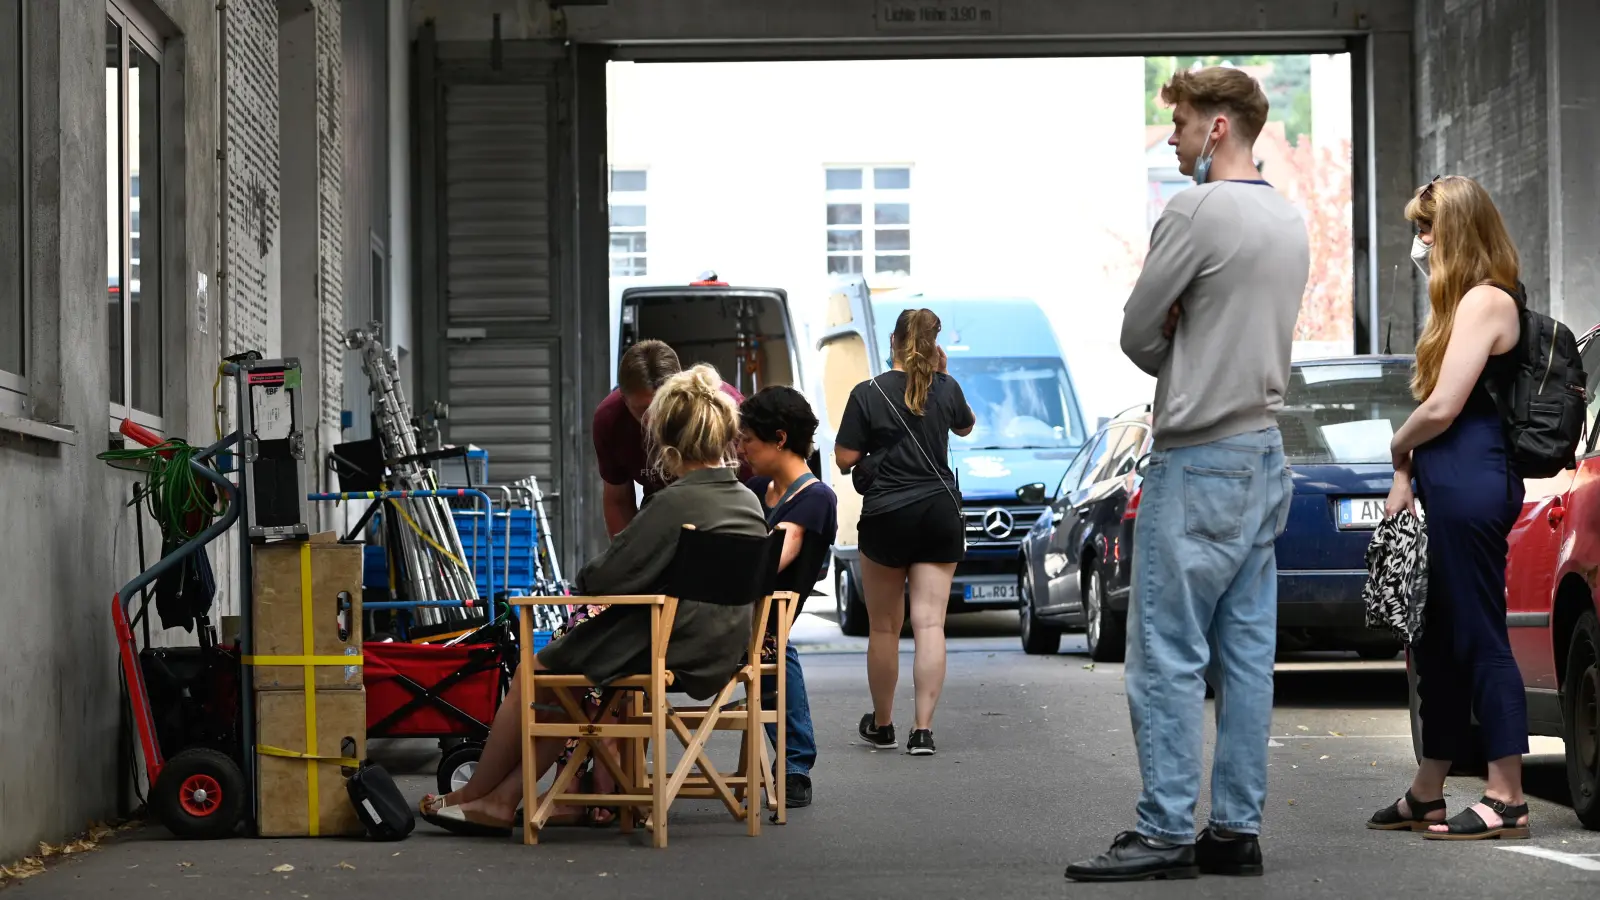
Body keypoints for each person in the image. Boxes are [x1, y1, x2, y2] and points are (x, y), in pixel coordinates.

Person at [1066, 66, 1308, 882]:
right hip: (1264, 452)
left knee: (1166, 650)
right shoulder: (1289, 218)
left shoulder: (1195, 210)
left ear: (1217, 129)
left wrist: (1180, 337)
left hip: (1196, 453)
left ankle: (1165, 829)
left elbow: (1137, 334)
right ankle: (1234, 830)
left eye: (1178, 125)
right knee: (1245, 652)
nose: (1168, 138)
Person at [419, 364, 767, 836]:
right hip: (723, 647)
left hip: (669, 642)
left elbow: (599, 578)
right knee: (570, 685)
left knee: (535, 673)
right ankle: (500, 800)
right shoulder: (747, 502)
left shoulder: (674, 503)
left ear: (665, 446)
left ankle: (473, 792)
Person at [1366, 175, 1531, 841]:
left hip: (1471, 485)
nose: (1421, 242)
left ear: (1458, 231)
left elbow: (1443, 407)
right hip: (1447, 483)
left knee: (1480, 635)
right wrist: (1410, 471)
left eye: (1429, 228)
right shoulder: (1460, 304)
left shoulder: (1489, 301)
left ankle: (1507, 794)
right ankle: (1427, 791)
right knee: (1433, 640)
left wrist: (1396, 447)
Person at [834, 308, 974, 758]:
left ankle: (883, 724)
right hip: (938, 511)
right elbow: (965, 426)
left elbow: (843, 458)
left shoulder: (868, 393)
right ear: (935, 347)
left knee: (884, 628)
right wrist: (943, 375)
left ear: (892, 340)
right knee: (930, 623)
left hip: (887, 515)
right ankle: (923, 731)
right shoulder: (947, 388)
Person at [739, 385, 838, 809]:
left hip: (762, 621)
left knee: (776, 643)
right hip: (747, 614)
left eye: (749, 440)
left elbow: (771, 559)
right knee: (777, 646)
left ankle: (796, 764)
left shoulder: (816, 498)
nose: (741, 449)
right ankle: (795, 762)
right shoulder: (756, 486)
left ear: (780, 439)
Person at [594, 339, 749, 538]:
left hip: (727, 511)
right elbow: (618, 500)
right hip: (662, 510)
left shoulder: (723, 409)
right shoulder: (610, 419)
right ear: (623, 398)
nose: (653, 419)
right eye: (643, 411)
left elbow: (758, 486)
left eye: (662, 406)